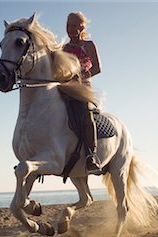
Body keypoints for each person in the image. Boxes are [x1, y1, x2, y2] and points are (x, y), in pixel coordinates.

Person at [63, 12, 102, 174]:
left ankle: (91, 157)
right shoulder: (65, 48)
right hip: (68, 85)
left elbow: (97, 68)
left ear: (81, 27)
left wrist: (81, 75)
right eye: (68, 25)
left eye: (74, 25)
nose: (70, 29)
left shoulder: (89, 45)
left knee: (87, 115)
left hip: (84, 87)